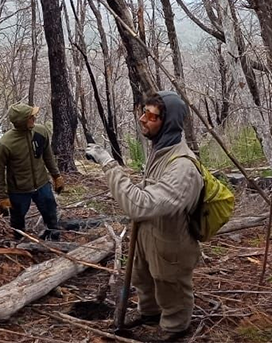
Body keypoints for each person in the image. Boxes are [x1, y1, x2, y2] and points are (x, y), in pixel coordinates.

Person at [85, 91, 202, 342]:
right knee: (144, 276)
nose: (142, 119)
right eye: (143, 112)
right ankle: (150, 314)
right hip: (150, 234)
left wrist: (108, 163)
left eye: (151, 115)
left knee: (170, 284)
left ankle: (175, 328)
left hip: (171, 239)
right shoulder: (160, 150)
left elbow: (140, 205)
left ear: (168, 122)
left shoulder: (183, 166)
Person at [0, 103, 65, 240]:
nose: (34, 118)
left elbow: (48, 156)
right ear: (21, 121)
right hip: (18, 189)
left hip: (42, 184)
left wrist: (56, 176)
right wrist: (2, 196)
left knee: (50, 210)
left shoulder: (41, 132)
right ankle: (19, 240)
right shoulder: (5, 143)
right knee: (17, 218)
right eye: (31, 117)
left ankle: (54, 235)